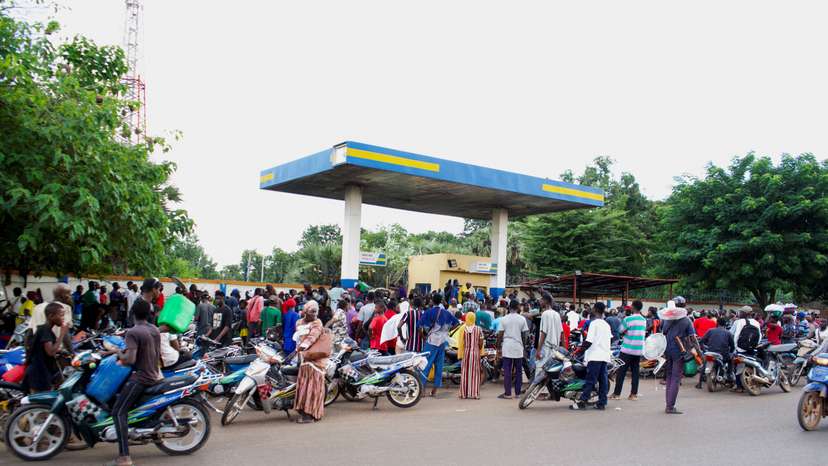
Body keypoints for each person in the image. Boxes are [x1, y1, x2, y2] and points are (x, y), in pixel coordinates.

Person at [111, 299, 162, 466]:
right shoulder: (154, 329)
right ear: (149, 314)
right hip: (155, 374)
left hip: (142, 378)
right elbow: (152, 352)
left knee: (118, 412)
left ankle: (124, 456)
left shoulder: (133, 332)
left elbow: (131, 359)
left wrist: (119, 354)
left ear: (132, 313)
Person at [571, 302, 611, 410]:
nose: (591, 309)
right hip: (604, 355)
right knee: (603, 380)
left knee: (590, 380)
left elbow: (589, 341)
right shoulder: (606, 324)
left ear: (596, 310)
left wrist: (577, 351)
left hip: (595, 356)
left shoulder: (594, 323)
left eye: (593, 308)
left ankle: (582, 401)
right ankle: (602, 403)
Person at [293, 300, 328, 423]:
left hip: (316, 360)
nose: (314, 314)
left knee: (313, 388)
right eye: (311, 311)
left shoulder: (317, 323)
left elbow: (312, 337)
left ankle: (311, 414)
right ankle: (303, 410)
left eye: (315, 311)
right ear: (305, 312)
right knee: (303, 386)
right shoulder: (299, 322)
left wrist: (303, 346)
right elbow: (298, 337)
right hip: (304, 358)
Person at [419, 294, 460, 397]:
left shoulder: (428, 312)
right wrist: (447, 331)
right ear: (441, 301)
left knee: (426, 364)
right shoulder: (447, 313)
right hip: (442, 342)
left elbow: (419, 326)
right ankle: (434, 390)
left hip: (431, 341)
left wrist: (423, 336)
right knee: (439, 365)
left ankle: (422, 389)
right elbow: (457, 323)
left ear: (432, 301)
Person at [661, 297, 696, 414]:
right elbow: (693, 338)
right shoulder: (686, 320)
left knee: (670, 377)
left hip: (668, 350)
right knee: (676, 378)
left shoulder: (666, 319)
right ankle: (670, 407)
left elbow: (663, 332)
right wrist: (699, 353)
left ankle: (668, 404)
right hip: (679, 351)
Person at [24, 303, 69, 392]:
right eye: (61, 315)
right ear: (51, 316)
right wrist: (62, 334)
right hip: (38, 373)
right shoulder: (45, 330)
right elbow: (50, 352)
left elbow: (46, 349)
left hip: (40, 371)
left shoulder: (46, 330)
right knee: (40, 402)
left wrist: (60, 351)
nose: (63, 318)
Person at [611, 300, 647, 401]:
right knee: (635, 372)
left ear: (634, 307)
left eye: (631, 306)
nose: (630, 307)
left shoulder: (628, 319)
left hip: (627, 349)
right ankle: (633, 394)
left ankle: (617, 394)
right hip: (638, 350)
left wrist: (626, 331)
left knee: (621, 371)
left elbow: (620, 330)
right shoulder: (643, 320)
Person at [497, 300, 529, 399]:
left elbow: (500, 334)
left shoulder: (504, 319)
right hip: (518, 347)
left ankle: (507, 393)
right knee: (519, 371)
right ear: (518, 307)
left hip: (507, 346)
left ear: (509, 307)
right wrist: (523, 346)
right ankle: (518, 393)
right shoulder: (522, 319)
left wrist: (498, 346)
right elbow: (525, 335)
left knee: (507, 371)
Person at [698, 317, 735, 389]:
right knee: (731, 359)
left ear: (717, 323)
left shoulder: (710, 331)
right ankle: (729, 375)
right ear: (725, 324)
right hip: (723, 354)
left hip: (710, 352)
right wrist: (731, 352)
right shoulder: (728, 333)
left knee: (704, 363)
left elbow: (702, 341)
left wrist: (704, 349)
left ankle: (699, 383)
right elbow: (732, 346)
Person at [458, 312, 484, 399]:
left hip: (466, 353)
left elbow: (461, 343)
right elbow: (480, 344)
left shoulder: (463, 329)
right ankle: (475, 394)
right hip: (475, 353)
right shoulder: (478, 329)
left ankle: (463, 394)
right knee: (475, 374)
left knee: (465, 373)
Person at [536, 292, 563, 360]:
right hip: (555, 350)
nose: (540, 301)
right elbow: (562, 333)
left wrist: (538, 350)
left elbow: (543, 333)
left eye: (541, 299)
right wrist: (564, 349)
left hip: (546, 349)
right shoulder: (557, 314)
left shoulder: (545, 314)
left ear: (546, 301)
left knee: (541, 369)